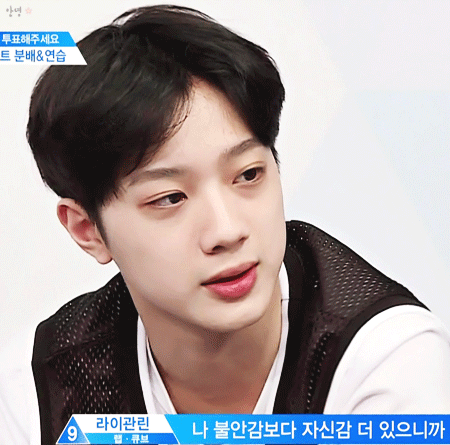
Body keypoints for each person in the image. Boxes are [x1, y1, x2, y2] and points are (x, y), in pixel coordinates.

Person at [1, 4, 450, 444]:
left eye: (248, 175)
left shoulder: (385, 362)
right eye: (170, 198)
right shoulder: (37, 391)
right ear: (88, 230)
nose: (227, 231)